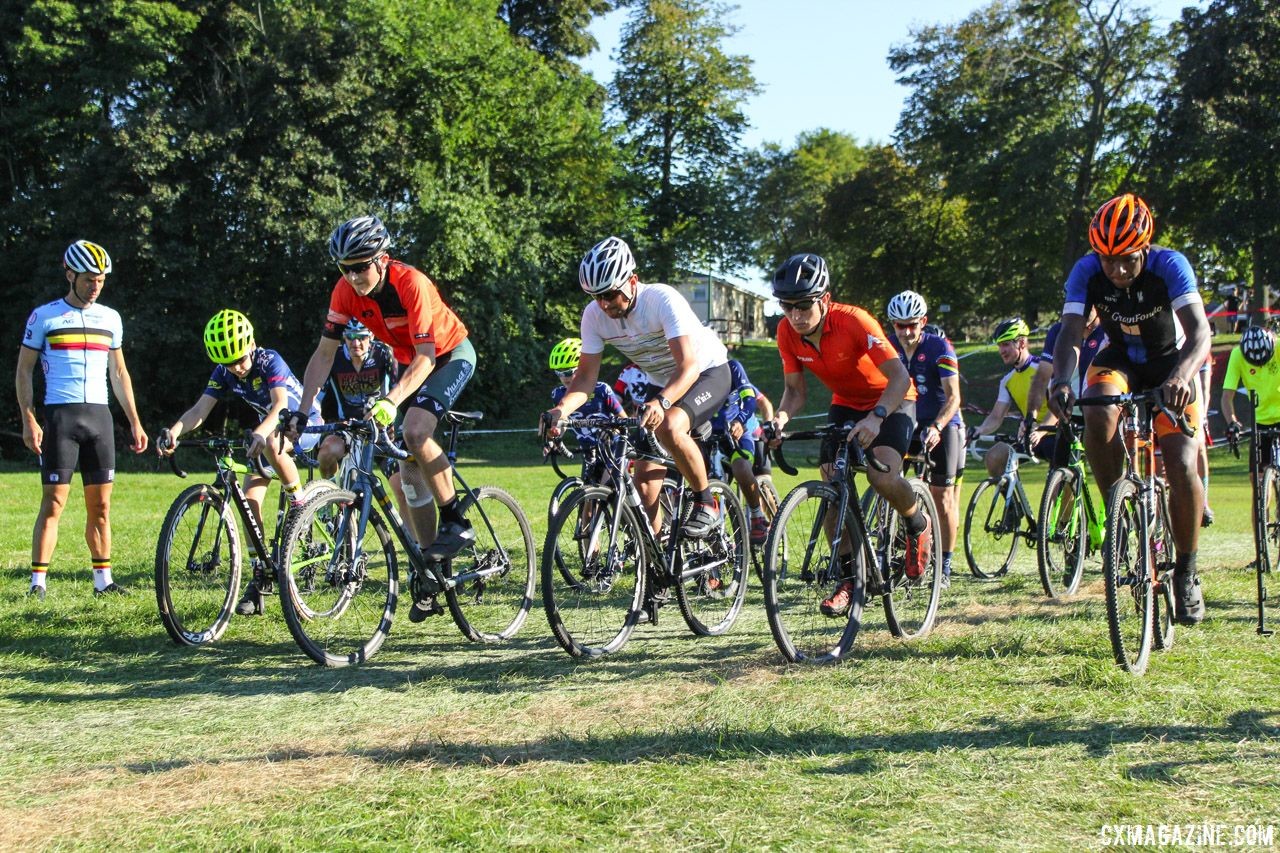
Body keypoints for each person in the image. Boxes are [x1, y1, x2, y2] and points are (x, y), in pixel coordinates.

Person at [1048, 193, 1211, 626]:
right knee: (1096, 410)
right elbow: (1070, 334)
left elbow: (1200, 334)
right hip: (1118, 357)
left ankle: (1187, 571)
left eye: (1127, 260)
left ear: (1145, 250)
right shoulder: (1086, 271)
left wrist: (1180, 377)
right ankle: (1118, 511)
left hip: (1168, 362)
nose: (1117, 271)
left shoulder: (1170, 266)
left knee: (1179, 463)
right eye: (1108, 261)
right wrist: (1061, 379)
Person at [289, 215, 476, 565]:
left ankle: (455, 520)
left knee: (415, 430)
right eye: (345, 269)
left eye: (360, 267)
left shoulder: (411, 283)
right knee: (407, 466)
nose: (353, 277)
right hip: (411, 360)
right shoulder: (344, 291)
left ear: (381, 258)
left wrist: (390, 400)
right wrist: (302, 409)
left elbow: (427, 358)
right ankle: (428, 561)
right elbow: (325, 354)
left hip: (449, 354)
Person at [766, 253, 929, 617]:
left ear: (823, 300)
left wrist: (877, 417)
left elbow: (901, 377)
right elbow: (795, 392)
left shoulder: (855, 322)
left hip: (893, 399)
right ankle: (849, 577)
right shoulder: (786, 332)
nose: (794, 315)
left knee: (881, 474)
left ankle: (917, 522)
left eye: (803, 305)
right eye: (786, 306)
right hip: (846, 403)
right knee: (832, 487)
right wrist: (779, 420)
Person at [543, 235, 730, 544]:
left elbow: (688, 367)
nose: (604, 305)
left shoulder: (661, 300)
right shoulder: (594, 316)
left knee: (669, 425)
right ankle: (657, 565)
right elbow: (585, 379)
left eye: (610, 295)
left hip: (705, 371)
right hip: (662, 381)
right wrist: (560, 410)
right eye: (595, 296)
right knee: (643, 482)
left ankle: (706, 502)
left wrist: (662, 402)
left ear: (632, 281)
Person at [157, 309, 322, 615]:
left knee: (271, 442)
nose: (236, 368)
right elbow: (199, 411)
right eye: (228, 363)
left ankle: (299, 502)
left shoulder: (268, 360)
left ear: (251, 344)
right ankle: (260, 576)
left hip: (303, 423)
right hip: (270, 429)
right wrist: (175, 432)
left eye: (239, 359)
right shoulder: (225, 371)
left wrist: (260, 432)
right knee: (249, 500)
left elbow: (280, 405)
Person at [16, 240, 148, 599]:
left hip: (100, 418)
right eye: (89, 279)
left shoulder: (110, 318)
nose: (96, 286)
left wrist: (134, 421)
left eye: (101, 280)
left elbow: (119, 373)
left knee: (101, 506)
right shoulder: (45, 316)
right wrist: (29, 418)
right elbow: (24, 371)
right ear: (70, 274)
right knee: (54, 502)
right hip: (61, 416)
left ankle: (103, 581)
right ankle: (37, 583)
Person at [886, 290, 963, 587]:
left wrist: (938, 426)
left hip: (942, 422)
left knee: (942, 497)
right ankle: (897, 552)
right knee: (891, 485)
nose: (906, 332)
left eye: (912, 325)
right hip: (906, 421)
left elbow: (954, 396)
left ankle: (944, 566)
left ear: (923, 322)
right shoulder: (888, 347)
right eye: (899, 325)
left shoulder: (939, 346)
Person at [314, 319, 415, 529]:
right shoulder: (335, 358)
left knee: (402, 487)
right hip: (350, 431)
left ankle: (414, 543)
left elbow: (400, 388)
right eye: (350, 337)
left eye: (361, 337)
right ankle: (329, 498)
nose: (355, 343)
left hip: (382, 433)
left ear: (371, 337)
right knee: (325, 453)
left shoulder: (383, 353)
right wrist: (308, 416)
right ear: (344, 338)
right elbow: (317, 394)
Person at [969, 319, 1060, 478]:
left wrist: (1041, 430)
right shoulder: (1007, 381)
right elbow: (996, 416)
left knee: (1057, 486)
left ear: (1022, 343)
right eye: (999, 345)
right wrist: (980, 430)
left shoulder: (1043, 369)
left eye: (1006, 344)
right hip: (1030, 437)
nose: (1001, 350)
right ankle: (1012, 502)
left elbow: (1057, 409)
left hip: (1055, 435)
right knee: (995, 458)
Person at [706, 359, 770, 545]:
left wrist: (740, 421)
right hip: (707, 436)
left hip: (736, 434)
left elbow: (750, 401)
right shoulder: (692, 368)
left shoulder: (732, 366)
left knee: (741, 467)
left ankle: (757, 517)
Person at [546, 337, 626, 476]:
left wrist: (613, 432)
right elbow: (562, 423)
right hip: (589, 451)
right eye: (559, 373)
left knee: (608, 486)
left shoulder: (602, 390)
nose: (564, 378)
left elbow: (624, 421)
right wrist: (553, 439)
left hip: (613, 448)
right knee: (587, 495)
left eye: (569, 372)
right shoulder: (558, 395)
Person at [1221, 326, 1280, 465]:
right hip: (1259, 419)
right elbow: (1226, 397)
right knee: (1255, 477)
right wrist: (1232, 422)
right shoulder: (1237, 355)